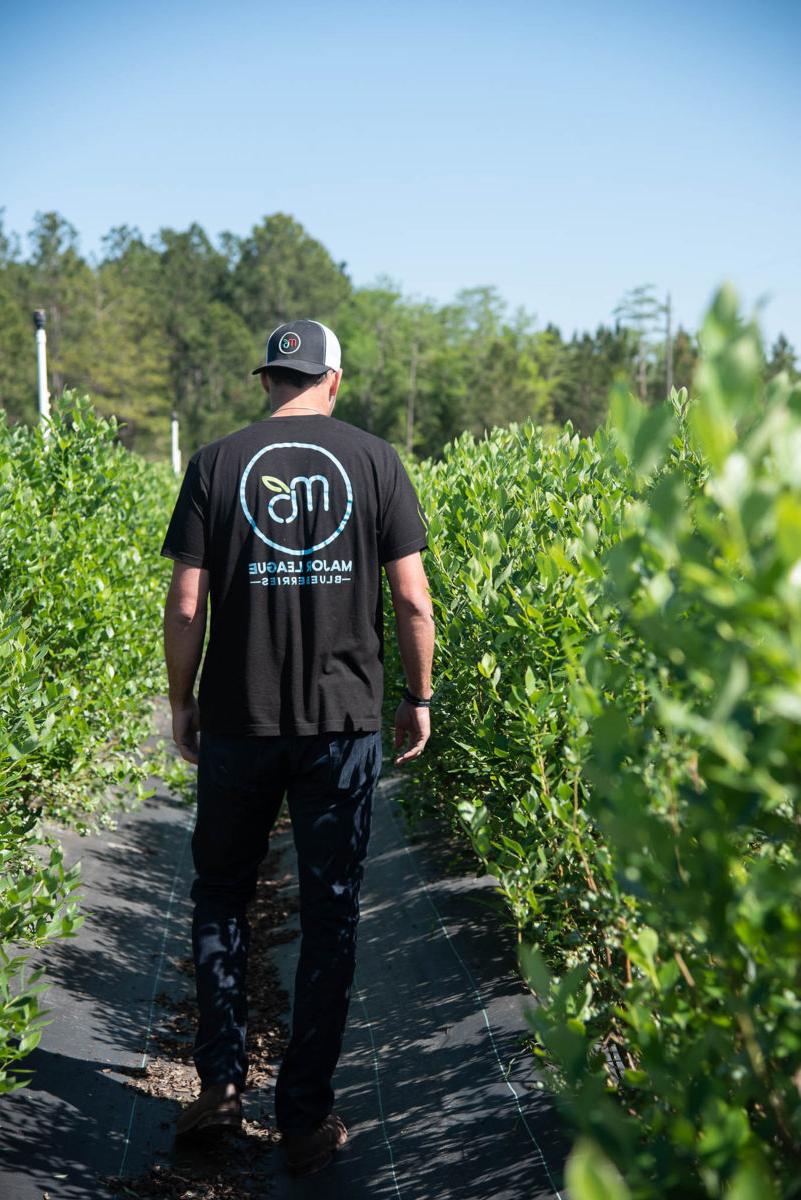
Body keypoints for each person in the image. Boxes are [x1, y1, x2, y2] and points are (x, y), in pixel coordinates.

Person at [160, 318, 435, 1177]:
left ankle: (219, 1090)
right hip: (340, 727)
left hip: (240, 721)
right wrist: (418, 698)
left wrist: (181, 699)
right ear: (334, 379)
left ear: (268, 380)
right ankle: (306, 1116)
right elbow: (414, 599)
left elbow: (185, 602)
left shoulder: (215, 463)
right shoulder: (375, 461)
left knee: (219, 899)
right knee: (331, 914)